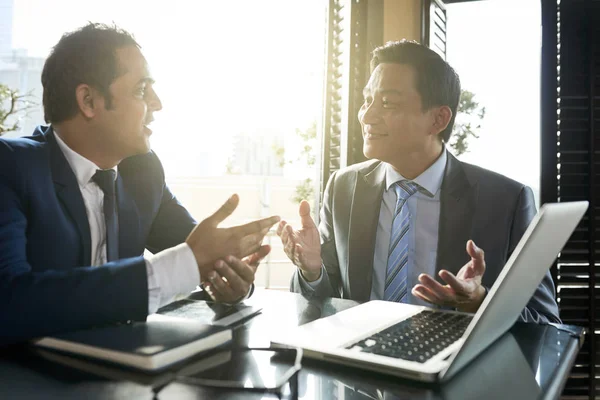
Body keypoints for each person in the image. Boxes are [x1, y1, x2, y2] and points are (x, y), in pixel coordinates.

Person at [0, 23, 279, 345]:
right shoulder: (10, 166)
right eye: (141, 90)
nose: (157, 104)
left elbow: (199, 256)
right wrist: (186, 264)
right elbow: (8, 301)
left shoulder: (142, 172)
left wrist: (229, 278)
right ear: (88, 100)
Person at [277, 40, 560, 323]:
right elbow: (319, 306)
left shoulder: (506, 202)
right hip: (357, 361)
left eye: (387, 102)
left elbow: (545, 322)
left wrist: (479, 302)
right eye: (367, 100)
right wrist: (311, 271)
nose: (367, 115)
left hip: (451, 365)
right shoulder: (344, 188)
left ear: (438, 119)